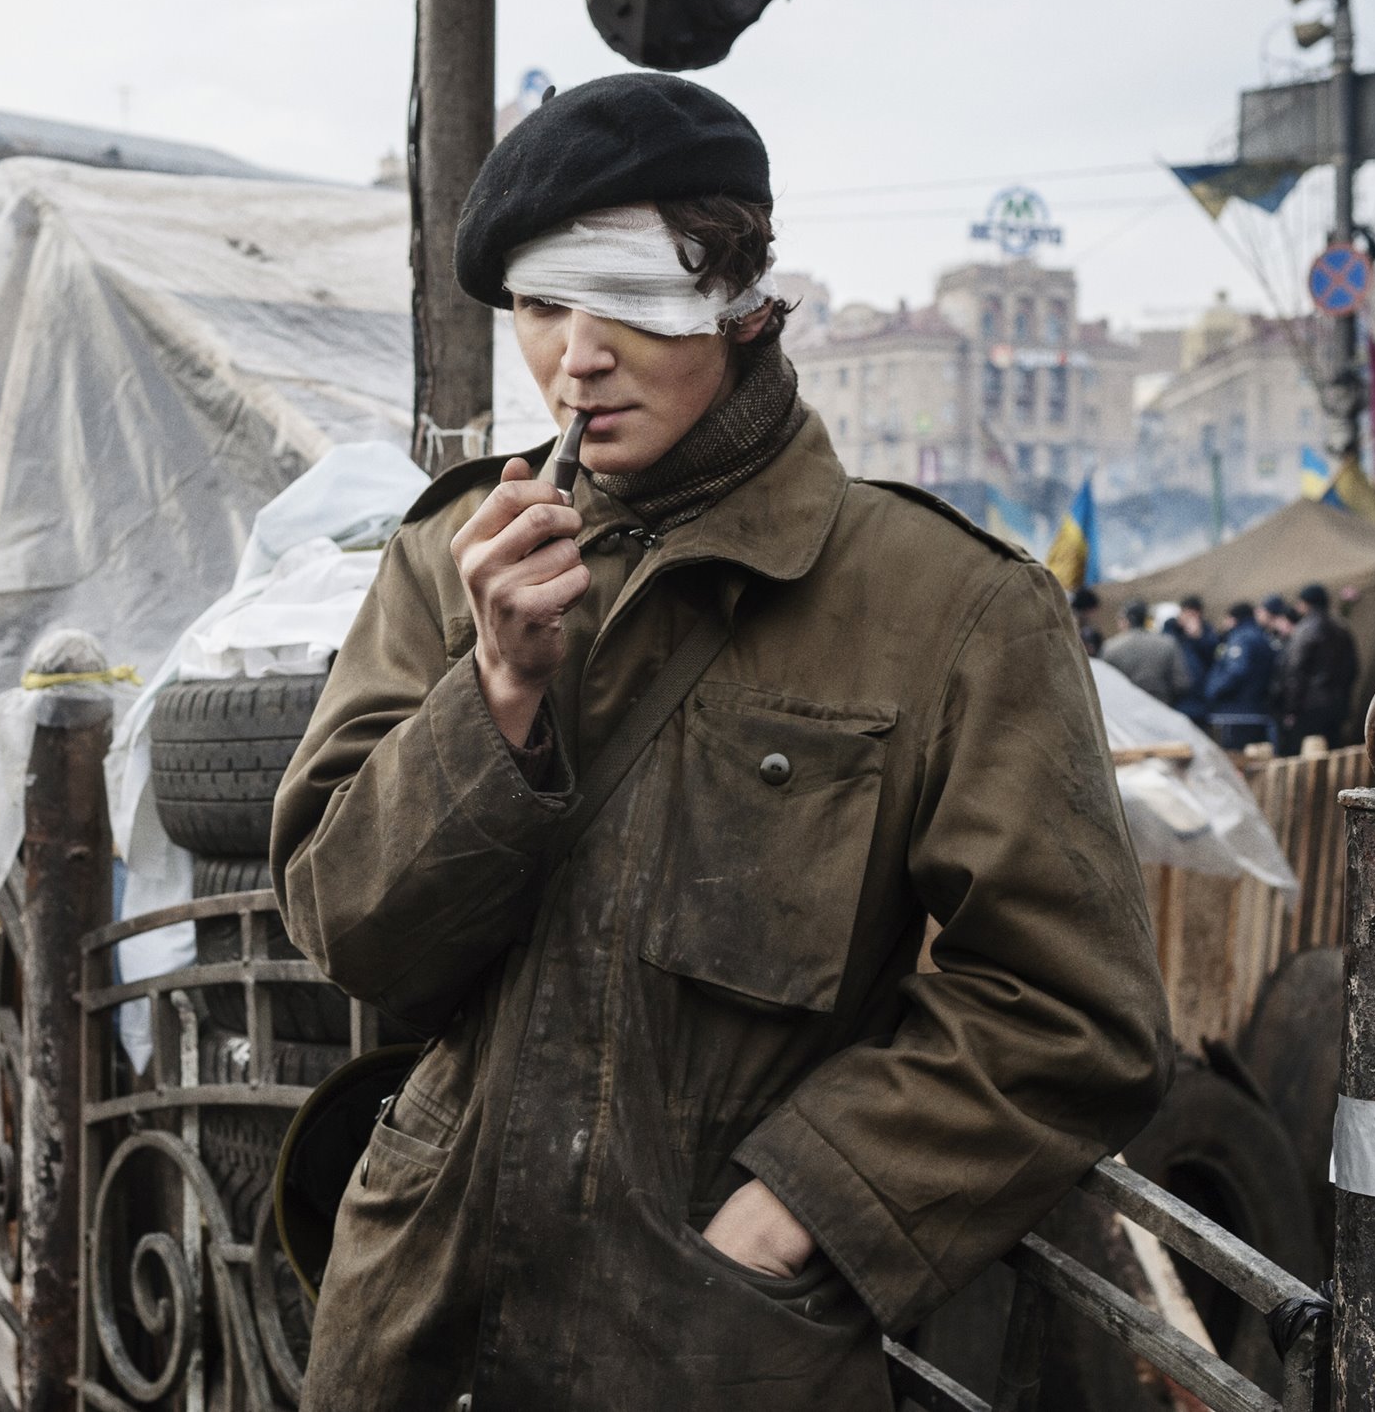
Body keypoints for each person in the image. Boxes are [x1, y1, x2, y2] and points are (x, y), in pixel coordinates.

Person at [271, 73, 1171, 1412]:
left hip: (713, 1350)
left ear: (742, 299)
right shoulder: (449, 556)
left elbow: (1071, 1008)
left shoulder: (945, 604)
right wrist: (498, 696)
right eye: (538, 304)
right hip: (418, 1330)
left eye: (629, 296)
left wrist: (806, 1197)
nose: (577, 353)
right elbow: (352, 929)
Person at [1282, 581, 1359, 751]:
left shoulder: (1306, 629)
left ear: (1305, 603)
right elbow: (1352, 669)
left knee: (1307, 759)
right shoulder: (1342, 629)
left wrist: (1291, 709)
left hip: (1309, 707)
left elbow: (1295, 671)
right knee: (1332, 754)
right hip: (1337, 706)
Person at [1203, 601, 1277, 750]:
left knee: (1237, 761)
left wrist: (1212, 691)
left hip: (1236, 713)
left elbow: (1235, 672)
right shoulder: (1262, 637)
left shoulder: (1240, 638)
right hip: (1257, 711)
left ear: (1233, 619)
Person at [1103, 599, 1194, 706]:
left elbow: (1105, 687)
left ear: (1126, 621)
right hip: (1162, 708)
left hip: (1124, 712)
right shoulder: (1168, 643)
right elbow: (1182, 683)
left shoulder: (1110, 647)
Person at [1164, 595, 1216, 724]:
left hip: (1201, 698)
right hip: (1176, 697)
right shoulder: (1171, 630)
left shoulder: (1207, 632)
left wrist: (1198, 638)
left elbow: (1212, 657)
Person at [1071, 585, 1103, 656]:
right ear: (1087, 609)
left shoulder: (1082, 624)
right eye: (1093, 611)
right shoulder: (1073, 624)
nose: (1094, 615)